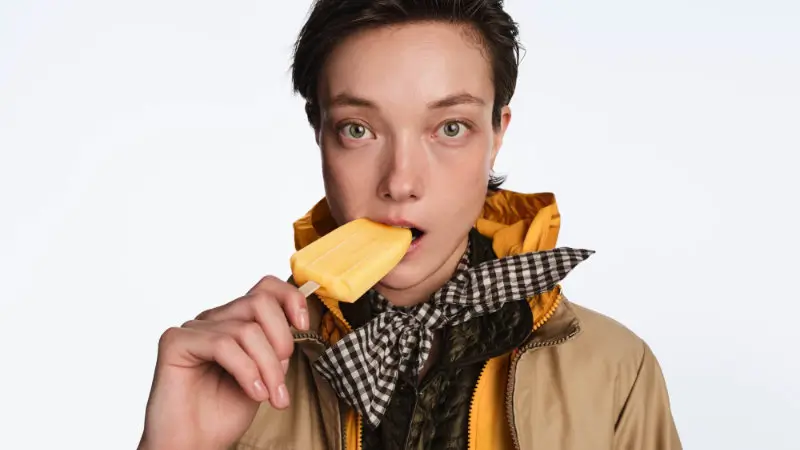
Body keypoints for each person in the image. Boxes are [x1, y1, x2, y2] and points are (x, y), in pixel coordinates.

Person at [138, 0, 682, 449]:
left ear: (497, 135)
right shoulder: (239, 377)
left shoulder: (616, 372)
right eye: (358, 129)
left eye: (449, 127)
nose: (401, 182)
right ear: (319, 134)